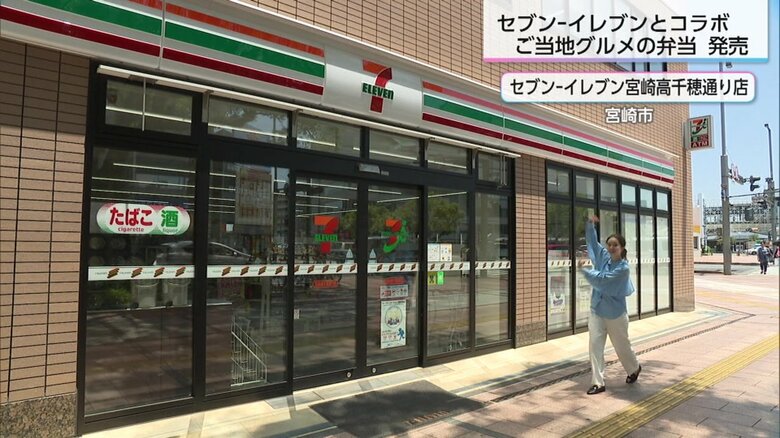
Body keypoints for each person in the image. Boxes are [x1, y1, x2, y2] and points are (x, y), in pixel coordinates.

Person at [577, 215, 641, 395]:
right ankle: (598, 382)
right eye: (609, 244)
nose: (611, 247)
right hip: (597, 310)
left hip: (615, 314)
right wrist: (590, 225)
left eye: (615, 245)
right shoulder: (603, 257)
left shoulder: (623, 268)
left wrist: (585, 271)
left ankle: (634, 368)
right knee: (595, 346)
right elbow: (593, 243)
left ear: (622, 248)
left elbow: (603, 280)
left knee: (622, 346)